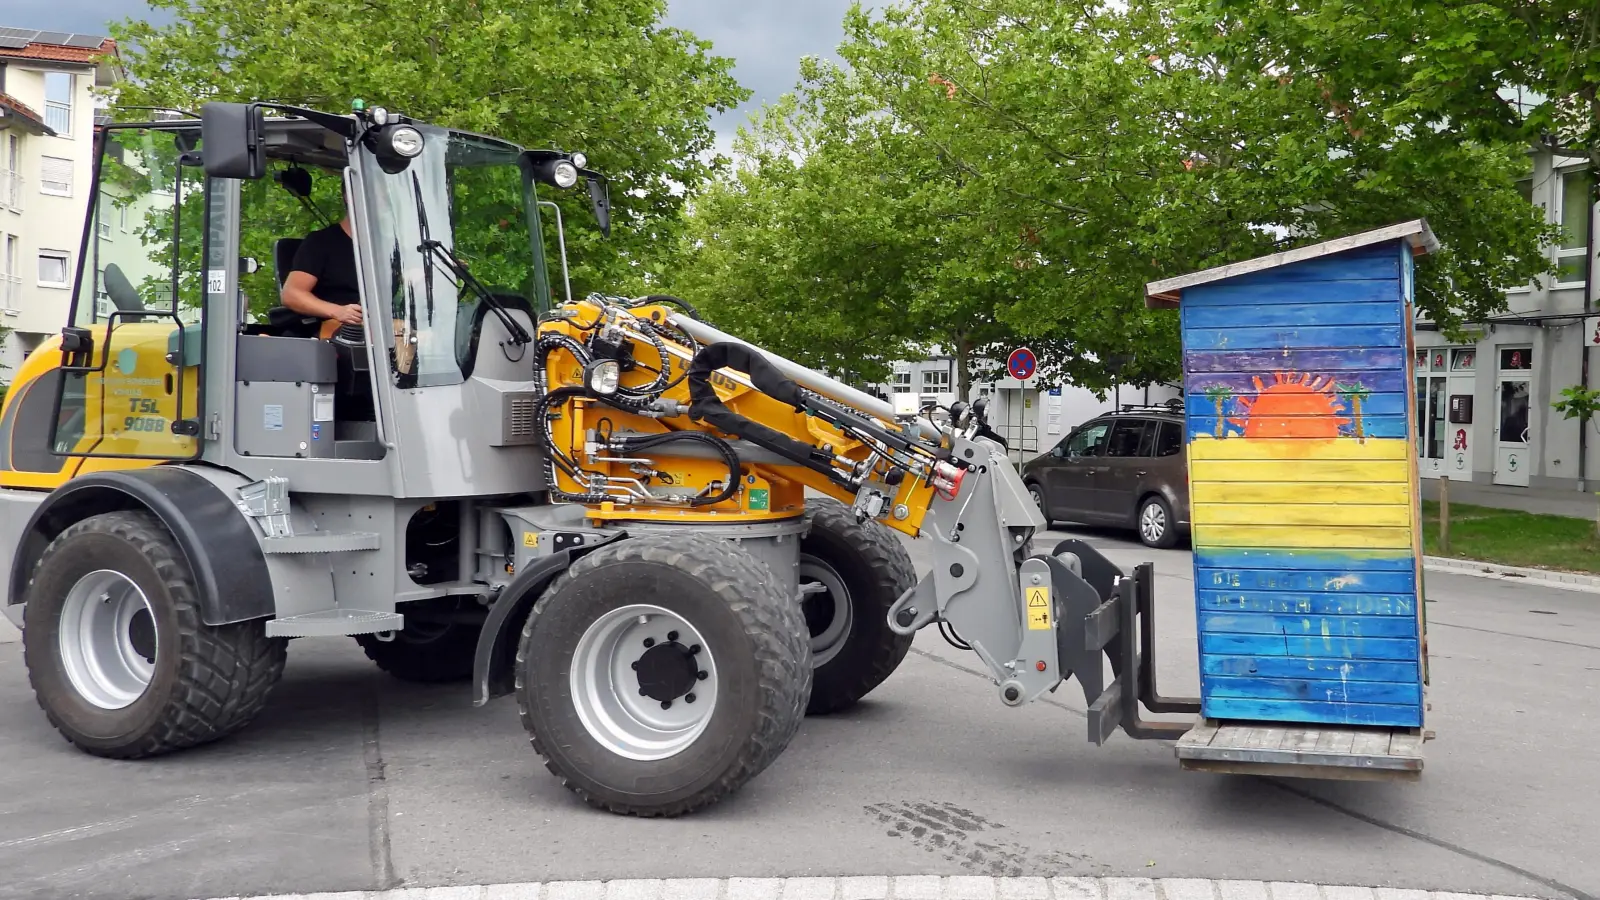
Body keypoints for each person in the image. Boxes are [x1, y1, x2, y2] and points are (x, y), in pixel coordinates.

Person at [280, 207, 363, 330]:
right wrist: (338, 311)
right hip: (331, 334)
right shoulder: (320, 242)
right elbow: (291, 294)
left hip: (378, 334)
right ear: (349, 196)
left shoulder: (389, 249)